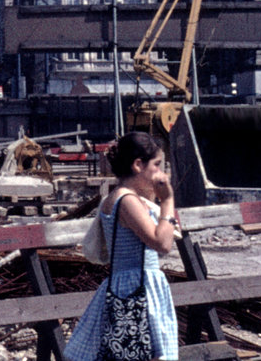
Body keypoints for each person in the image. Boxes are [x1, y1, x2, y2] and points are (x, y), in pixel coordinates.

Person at [64, 132, 179, 361]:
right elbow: (162, 243)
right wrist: (167, 201)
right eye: (156, 165)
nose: (161, 172)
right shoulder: (126, 200)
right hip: (137, 288)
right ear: (138, 165)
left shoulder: (124, 197)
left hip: (132, 284)